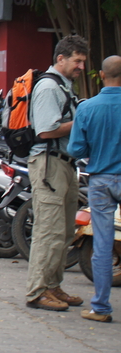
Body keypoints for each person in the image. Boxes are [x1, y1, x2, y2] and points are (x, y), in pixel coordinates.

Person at [25, 34, 88, 312]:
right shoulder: (49, 88)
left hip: (64, 163)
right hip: (49, 165)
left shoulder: (64, 87)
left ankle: (53, 286)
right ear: (60, 58)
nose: (81, 67)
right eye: (77, 61)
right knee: (48, 231)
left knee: (63, 231)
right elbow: (46, 130)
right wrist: (82, 121)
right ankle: (37, 292)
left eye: (83, 61)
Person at [69, 54, 121, 322]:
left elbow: (75, 148)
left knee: (102, 243)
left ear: (101, 76)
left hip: (100, 179)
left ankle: (100, 308)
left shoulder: (88, 108)